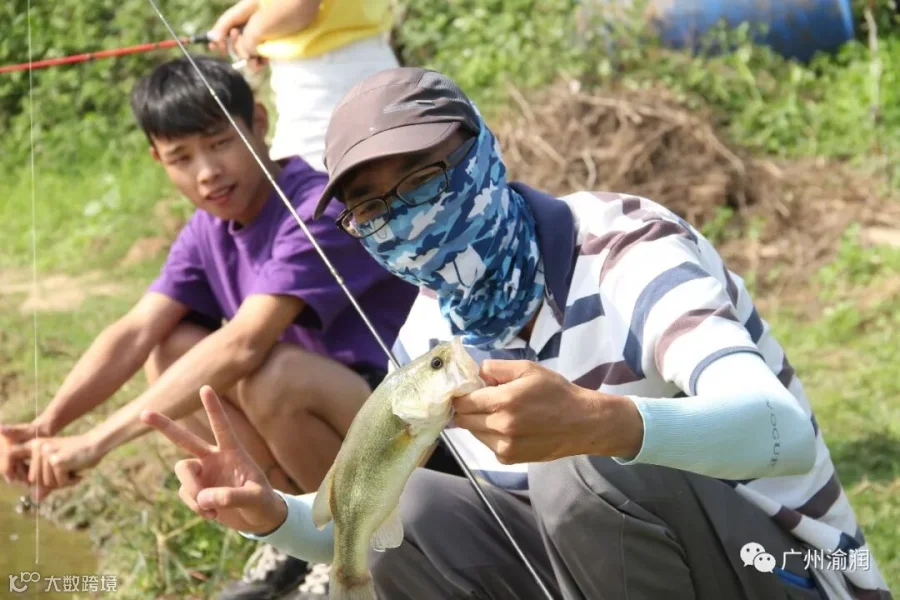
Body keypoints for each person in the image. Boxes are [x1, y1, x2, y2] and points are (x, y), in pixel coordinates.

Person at [143, 67, 894, 600]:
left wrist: (601, 423)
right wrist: (270, 513)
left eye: (423, 180)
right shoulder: (431, 336)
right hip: (618, 572)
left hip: (791, 570)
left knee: (577, 470)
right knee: (422, 509)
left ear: (482, 153)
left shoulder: (627, 248)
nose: (407, 219)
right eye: (373, 210)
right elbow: (366, 524)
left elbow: (781, 433)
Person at [0, 57, 419, 600]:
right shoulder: (207, 230)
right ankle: (290, 529)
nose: (207, 172)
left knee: (273, 375)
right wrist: (48, 424)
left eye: (220, 143)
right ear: (158, 160)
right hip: (327, 426)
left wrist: (96, 443)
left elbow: (244, 343)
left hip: (399, 423)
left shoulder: (313, 207)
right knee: (171, 349)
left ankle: (347, 544)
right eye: (181, 157)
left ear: (259, 122)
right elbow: (136, 330)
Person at [207, 0, 400, 171]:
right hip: (365, 60)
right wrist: (250, 10)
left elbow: (301, 6)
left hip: (324, 82)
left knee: (307, 187)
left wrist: (252, 35)